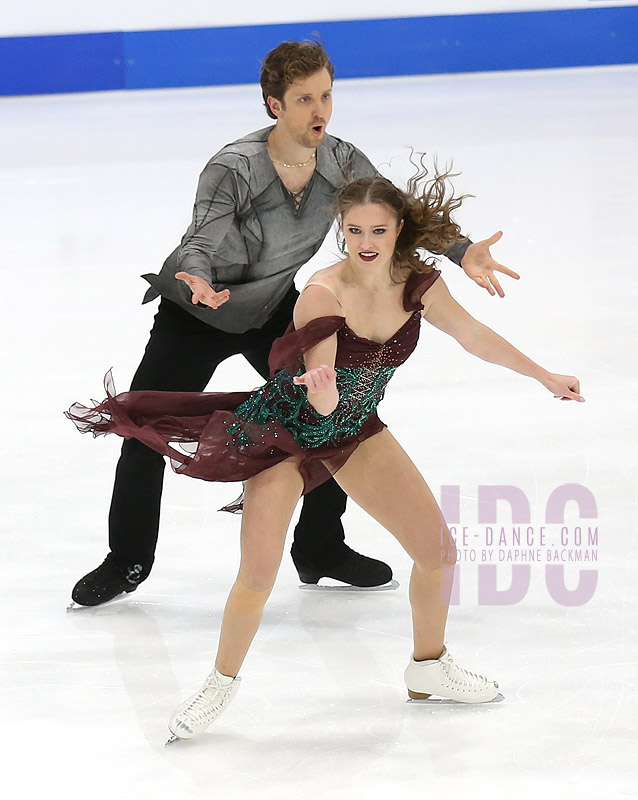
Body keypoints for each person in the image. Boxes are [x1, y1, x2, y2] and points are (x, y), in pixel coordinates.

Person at [66, 169, 583, 740]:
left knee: (438, 554)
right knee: (258, 575)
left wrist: (543, 375)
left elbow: (475, 337)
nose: (366, 242)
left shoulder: (420, 284)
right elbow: (323, 380)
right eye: (354, 228)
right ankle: (217, 686)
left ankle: (428, 667)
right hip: (283, 433)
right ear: (341, 228)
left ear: (398, 230)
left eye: (378, 230)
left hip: (354, 429)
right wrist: (322, 391)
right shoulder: (322, 291)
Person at [71, 40, 520, 607]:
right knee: (145, 424)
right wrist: (200, 278)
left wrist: (460, 252)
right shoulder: (232, 167)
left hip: (268, 310)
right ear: (273, 105)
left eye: (326, 96)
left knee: (333, 414)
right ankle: (127, 559)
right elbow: (198, 240)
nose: (320, 111)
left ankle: (320, 547)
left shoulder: (341, 160)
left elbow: (393, 216)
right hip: (194, 312)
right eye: (305, 99)